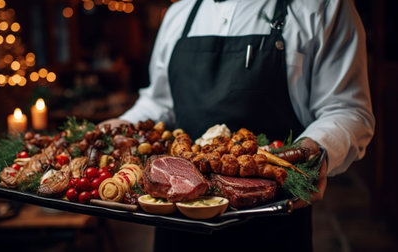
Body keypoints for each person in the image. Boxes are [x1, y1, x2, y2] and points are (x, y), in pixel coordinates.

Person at [103, 0, 375, 250]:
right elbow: (161, 103)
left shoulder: (324, 6)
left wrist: (312, 149)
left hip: (273, 226)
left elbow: (346, 108)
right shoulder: (179, 13)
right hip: (178, 221)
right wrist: (123, 124)